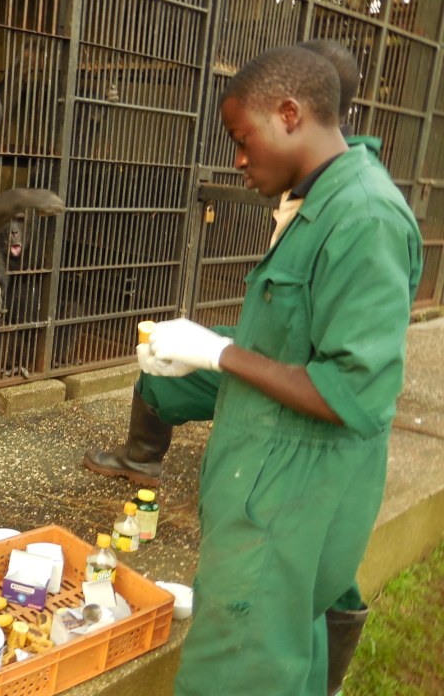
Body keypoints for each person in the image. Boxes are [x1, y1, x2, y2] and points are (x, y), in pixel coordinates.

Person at [83, 38, 388, 694]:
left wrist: (217, 351)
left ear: (289, 113)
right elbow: (296, 341)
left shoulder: (362, 215)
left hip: (285, 503)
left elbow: (351, 391)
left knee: (238, 672)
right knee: (285, 658)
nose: (237, 158)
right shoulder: (321, 198)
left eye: (241, 138)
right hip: (270, 481)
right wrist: (202, 354)